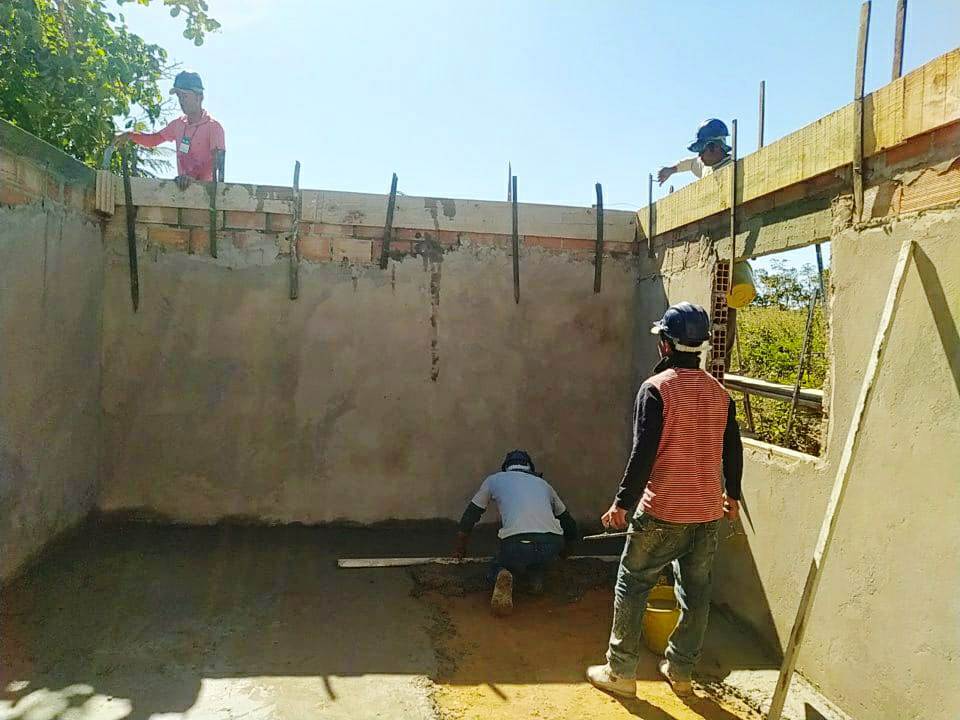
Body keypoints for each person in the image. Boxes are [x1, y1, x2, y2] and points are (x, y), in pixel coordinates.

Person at [586, 302, 743, 699]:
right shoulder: (719, 393)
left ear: (666, 345)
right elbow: (733, 450)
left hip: (662, 512)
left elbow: (643, 453)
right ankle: (681, 670)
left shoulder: (657, 389)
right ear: (700, 346)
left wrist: (622, 502)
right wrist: (733, 495)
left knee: (633, 582)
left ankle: (620, 671)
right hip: (707, 513)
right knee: (696, 592)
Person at [453, 450, 579, 616]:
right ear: (529, 467)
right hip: (552, 543)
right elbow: (568, 522)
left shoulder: (495, 480)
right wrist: (567, 550)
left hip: (516, 544)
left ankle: (501, 573)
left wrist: (461, 546)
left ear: (506, 467)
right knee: (539, 560)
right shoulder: (543, 484)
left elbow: (472, 514)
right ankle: (535, 581)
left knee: (502, 561)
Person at [115, 71, 225, 189]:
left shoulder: (213, 127)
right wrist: (130, 136)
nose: (181, 101)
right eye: (179, 97)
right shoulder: (178, 125)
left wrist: (194, 178)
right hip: (183, 190)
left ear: (199, 97)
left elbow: (216, 162)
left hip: (206, 195)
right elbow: (153, 140)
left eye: (185, 96)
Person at [657, 119, 732, 185]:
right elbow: (691, 163)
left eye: (702, 150)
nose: (699, 156)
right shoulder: (705, 166)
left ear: (715, 147)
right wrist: (671, 170)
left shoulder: (732, 168)